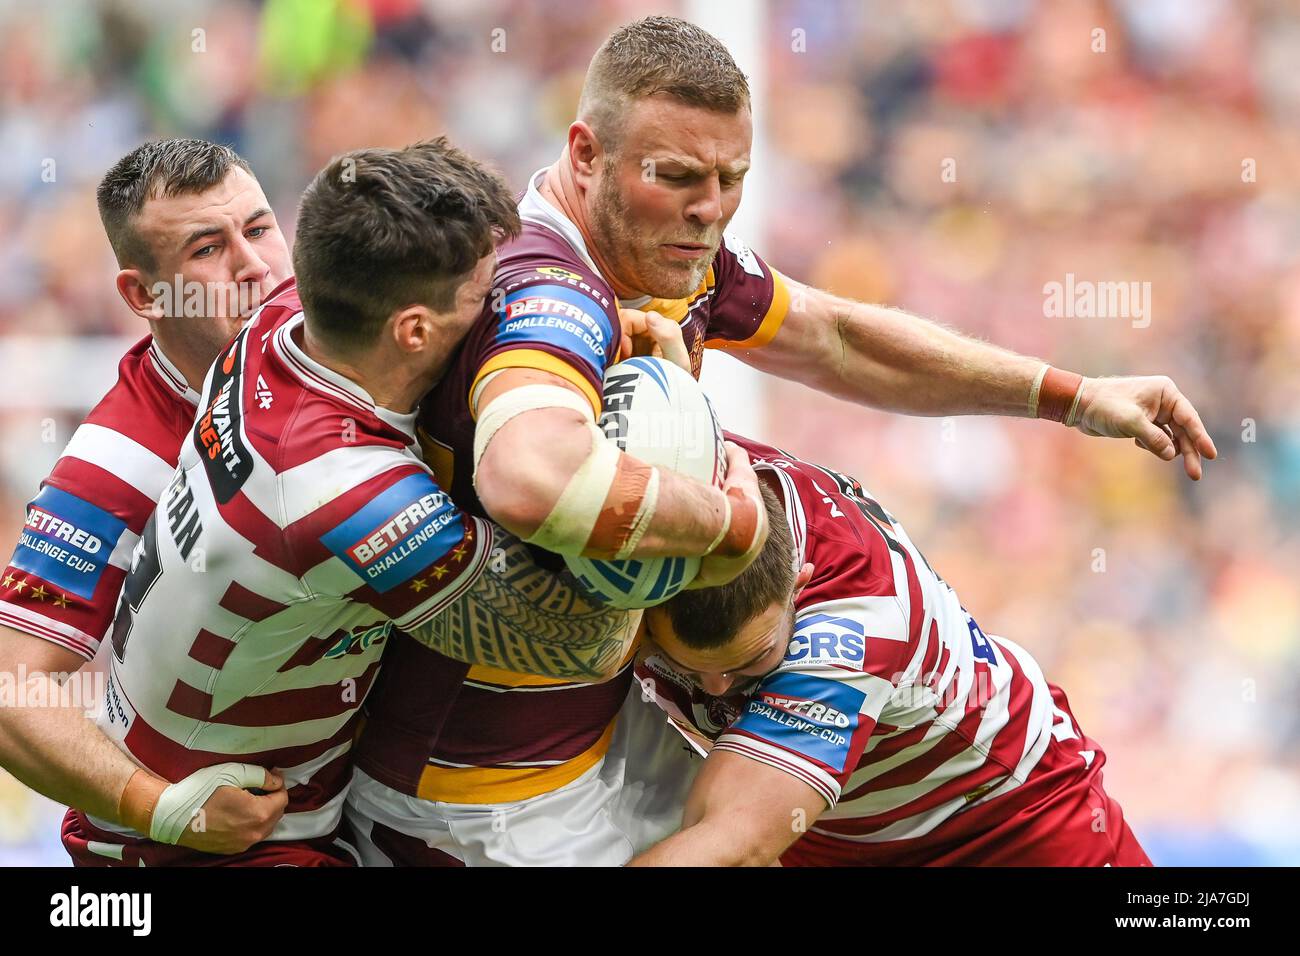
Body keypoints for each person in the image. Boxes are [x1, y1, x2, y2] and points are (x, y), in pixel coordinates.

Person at [348, 15, 1213, 866]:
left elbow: (836, 339)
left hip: (995, 827)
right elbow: (529, 477)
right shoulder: (549, 298)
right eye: (679, 175)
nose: (710, 210)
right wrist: (727, 530)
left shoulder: (665, 257)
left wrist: (1070, 394)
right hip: (496, 786)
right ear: (584, 154)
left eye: (732, 177)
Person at [58, 138, 659, 866]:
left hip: (299, 800)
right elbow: (579, 644)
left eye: (257, 229)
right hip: (201, 843)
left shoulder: (270, 321)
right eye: (485, 302)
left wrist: (571, 353)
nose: (251, 265)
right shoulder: (341, 487)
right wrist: (668, 484)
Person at [629, 433, 1151, 867]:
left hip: (1011, 828)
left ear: (799, 582)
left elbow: (730, 844)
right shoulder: (682, 474)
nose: (718, 690)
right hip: (832, 834)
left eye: (750, 663)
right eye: (685, 666)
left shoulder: (852, 627)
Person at [0, 139, 296, 854]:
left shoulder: (355, 353)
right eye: (206, 250)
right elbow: (12, 694)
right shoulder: (117, 461)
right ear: (143, 295)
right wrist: (163, 809)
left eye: (258, 229)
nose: (254, 266)